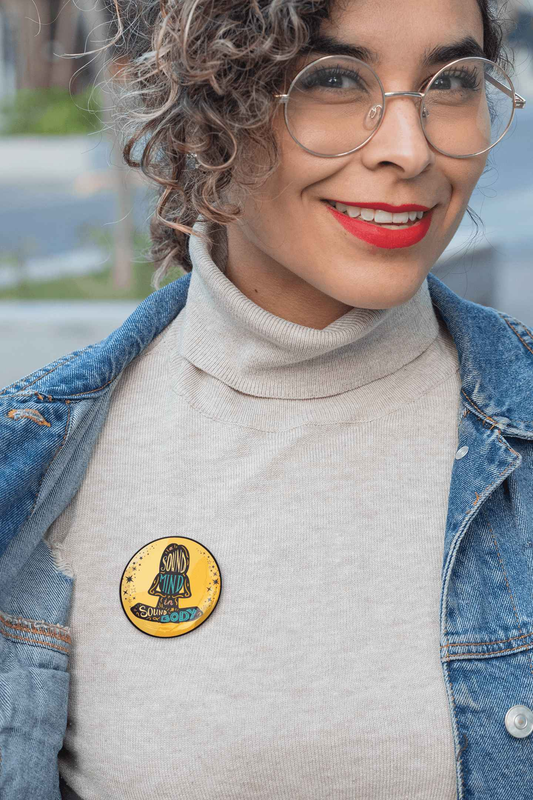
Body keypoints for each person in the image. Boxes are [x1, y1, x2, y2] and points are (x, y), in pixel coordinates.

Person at [1, 1, 532, 799]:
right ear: (198, 109)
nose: (409, 147)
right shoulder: (36, 470)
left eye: (449, 81)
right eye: (331, 80)